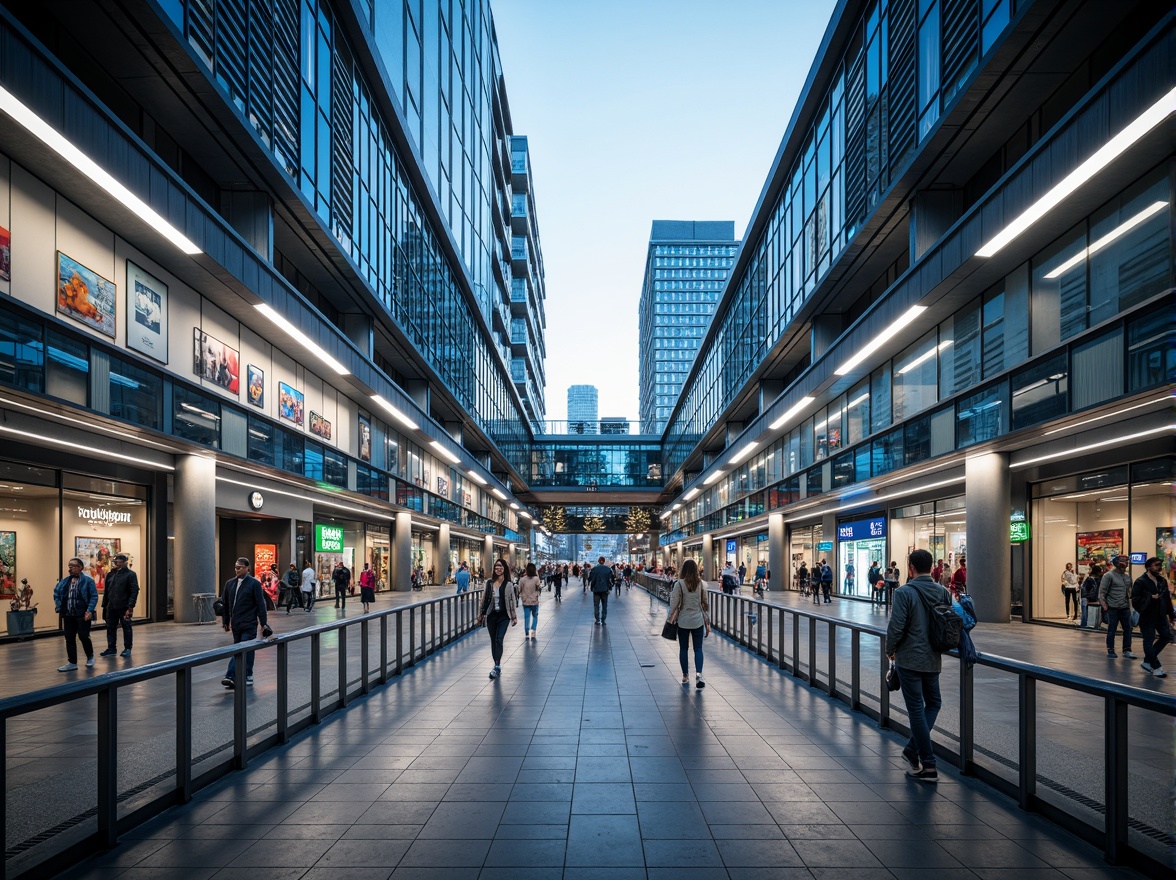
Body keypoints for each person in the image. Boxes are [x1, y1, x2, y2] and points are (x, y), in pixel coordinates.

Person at [886, 549, 949, 784]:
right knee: (933, 703)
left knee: (915, 708)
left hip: (909, 660)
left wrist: (889, 650)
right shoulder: (943, 592)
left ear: (910, 567)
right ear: (931, 567)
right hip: (933, 658)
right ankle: (912, 751)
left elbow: (896, 627)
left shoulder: (904, 592)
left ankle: (928, 763)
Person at [219, 557, 269, 689]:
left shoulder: (254, 584)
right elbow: (226, 604)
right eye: (235, 567)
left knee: (240, 649)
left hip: (249, 623)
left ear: (247, 568)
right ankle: (247, 674)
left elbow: (260, 604)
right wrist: (226, 620)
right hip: (236, 624)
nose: (237, 569)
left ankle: (231, 676)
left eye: (239, 567)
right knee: (246, 649)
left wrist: (263, 623)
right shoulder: (230, 584)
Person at [668, 559, 711, 689]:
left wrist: (670, 618)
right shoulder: (701, 584)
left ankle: (685, 675)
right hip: (698, 620)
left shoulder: (679, 584)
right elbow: (705, 603)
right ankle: (699, 675)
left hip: (683, 621)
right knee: (698, 649)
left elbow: (674, 603)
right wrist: (707, 620)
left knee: (683, 649)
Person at [54, 557, 99, 671]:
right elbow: (56, 593)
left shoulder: (88, 581)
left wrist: (89, 610)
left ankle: (90, 656)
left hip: (82, 614)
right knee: (69, 638)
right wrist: (59, 606)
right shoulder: (65, 581)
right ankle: (72, 662)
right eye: (69, 566)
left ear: (80, 567)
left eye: (73, 566)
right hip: (68, 614)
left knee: (83, 636)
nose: (70, 568)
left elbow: (94, 596)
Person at [476, 558, 518, 679]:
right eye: (496, 567)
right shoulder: (489, 583)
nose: (498, 569)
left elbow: (512, 601)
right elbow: (484, 599)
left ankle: (497, 666)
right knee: (493, 640)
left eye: (500, 566)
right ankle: (496, 665)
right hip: (492, 615)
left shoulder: (509, 584)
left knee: (499, 639)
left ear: (504, 568)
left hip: (504, 616)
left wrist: (514, 617)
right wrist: (481, 614)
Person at [1132, 556, 1173, 677]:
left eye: (1160, 565)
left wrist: (1171, 615)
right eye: (1156, 565)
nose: (1159, 568)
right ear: (1148, 567)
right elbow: (1135, 599)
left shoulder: (1161, 581)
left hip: (1160, 615)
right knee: (1148, 641)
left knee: (1166, 637)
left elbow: (1166, 599)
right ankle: (1156, 665)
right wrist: (1149, 597)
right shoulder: (1141, 581)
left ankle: (1147, 661)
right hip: (1147, 616)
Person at [99, 553, 139, 658]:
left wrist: (130, 606)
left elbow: (134, 591)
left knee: (126, 627)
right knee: (110, 627)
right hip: (111, 606)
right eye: (116, 562)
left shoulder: (130, 574)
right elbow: (107, 592)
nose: (118, 564)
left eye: (120, 562)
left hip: (124, 606)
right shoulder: (111, 574)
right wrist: (104, 606)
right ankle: (111, 648)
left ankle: (127, 648)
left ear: (125, 563)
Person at [1099, 555, 1136, 659]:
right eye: (1123, 561)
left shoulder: (1127, 577)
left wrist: (1132, 606)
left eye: (1127, 561)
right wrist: (1105, 607)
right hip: (1112, 607)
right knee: (1112, 629)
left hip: (1124, 607)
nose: (1125, 563)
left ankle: (1127, 650)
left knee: (1128, 629)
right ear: (1117, 562)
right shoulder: (1108, 575)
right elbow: (1102, 592)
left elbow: (1129, 592)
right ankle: (1111, 650)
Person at [518, 562, 542, 639]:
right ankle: (533, 631)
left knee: (527, 617)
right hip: (534, 601)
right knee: (535, 616)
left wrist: (522, 595)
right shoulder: (536, 579)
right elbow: (539, 588)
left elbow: (519, 589)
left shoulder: (522, 579)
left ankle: (527, 631)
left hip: (525, 601)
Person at [588, 556, 613, 624]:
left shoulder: (594, 569)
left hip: (596, 590)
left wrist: (591, 587)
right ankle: (603, 619)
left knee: (596, 605)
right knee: (604, 605)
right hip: (605, 589)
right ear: (604, 561)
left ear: (598, 561)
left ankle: (597, 619)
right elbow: (611, 579)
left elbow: (590, 578)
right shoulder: (608, 569)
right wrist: (609, 587)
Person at [1079, 564, 1102, 629]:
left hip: (1089, 598)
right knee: (1086, 612)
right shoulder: (1091, 580)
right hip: (1088, 598)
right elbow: (1085, 590)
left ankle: (1086, 624)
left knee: (1086, 612)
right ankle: (1085, 624)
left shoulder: (1094, 579)